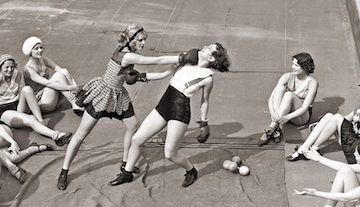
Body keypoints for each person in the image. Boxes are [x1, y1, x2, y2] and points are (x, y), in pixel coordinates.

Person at [56, 24, 182, 190]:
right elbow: (155, 61)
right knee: (81, 134)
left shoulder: (126, 51)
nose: (144, 43)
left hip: (117, 94)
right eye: (140, 40)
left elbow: (141, 76)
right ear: (131, 40)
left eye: (145, 40)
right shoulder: (127, 56)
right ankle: (64, 171)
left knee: (133, 126)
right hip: (102, 94)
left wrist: (168, 72)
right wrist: (180, 58)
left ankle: (125, 162)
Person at [110, 43, 231, 188]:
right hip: (164, 105)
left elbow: (205, 101)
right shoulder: (188, 59)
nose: (204, 46)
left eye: (209, 48)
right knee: (136, 139)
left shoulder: (208, 78)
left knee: (170, 154)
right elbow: (165, 72)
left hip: (180, 112)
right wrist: (142, 77)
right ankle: (127, 174)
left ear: (212, 58)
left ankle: (191, 170)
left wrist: (204, 122)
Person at [0, 54, 72, 147]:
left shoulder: (17, 74)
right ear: (0, 68)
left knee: (27, 89)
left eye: (12, 67)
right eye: (6, 67)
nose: (10, 70)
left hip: (17, 105)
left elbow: (22, 94)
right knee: (31, 119)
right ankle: (56, 136)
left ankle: (40, 121)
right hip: (4, 111)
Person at [286, 86, 360, 164]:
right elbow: (345, 120)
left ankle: (309, 149)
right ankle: (308, 148)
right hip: (352, 141)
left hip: (358, 154)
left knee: (336, 117)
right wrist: (322, 124)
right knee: (330, 116)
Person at [259, 52, 318, 146]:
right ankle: (276, 127)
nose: (293, 67)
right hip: (283, 113)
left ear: (305, 67)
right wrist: (272, 112)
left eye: (296, 65)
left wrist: (287, 117)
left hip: (301, 117)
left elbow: (304, 108)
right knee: (281, 88)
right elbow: (272, 97)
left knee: (288, 95)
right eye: (293, 64)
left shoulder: (312, 83)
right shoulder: (287, 76)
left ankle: (272, 127)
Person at [22, 36, 84, 115]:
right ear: (30, 51)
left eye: (41, 48)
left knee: (63, 71)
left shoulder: (45, 60)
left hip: (52, 98)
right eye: (36, 48)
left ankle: (75, 97)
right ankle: (75, 104)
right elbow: (48, 83)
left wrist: (74, 86)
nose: (40, 50)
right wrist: (70, 87)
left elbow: (63, 71)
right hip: (42, 103)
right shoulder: (28, 69)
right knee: (58, 76)